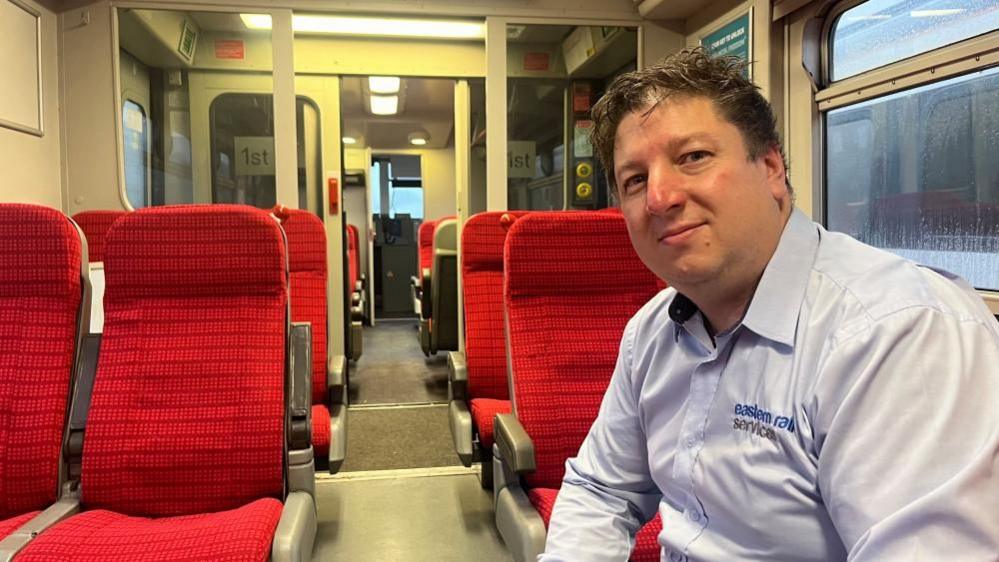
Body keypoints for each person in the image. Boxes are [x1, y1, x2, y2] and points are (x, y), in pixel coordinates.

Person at [540, 47, 999, 561]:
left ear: (771, 167)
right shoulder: (651, 333)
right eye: (635, 180)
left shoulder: (894, 334)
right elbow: (603, 488)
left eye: (693, 157)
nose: (660, 197)